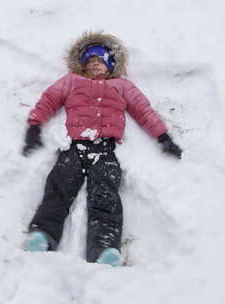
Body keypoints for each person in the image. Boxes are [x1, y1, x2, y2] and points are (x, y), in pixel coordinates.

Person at [22, 31, 182, 266]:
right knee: (59, 185)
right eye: (90, 61)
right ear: (83, 66)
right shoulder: (72, 81)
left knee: (105, 195)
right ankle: (43, 233)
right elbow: (49, 99)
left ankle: (104, 247)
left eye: (100, 61)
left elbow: (143, 110)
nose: (95, 65)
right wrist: (35, 126)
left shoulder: (122, 86)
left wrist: (163, 137)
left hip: (105, 151)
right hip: (74, 148)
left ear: (110, 65)